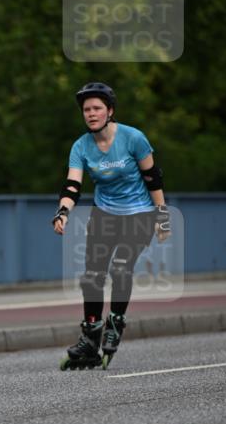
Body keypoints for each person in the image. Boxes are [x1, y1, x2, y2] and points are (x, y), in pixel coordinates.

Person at [52, 81, 171, 369]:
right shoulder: (81, 146)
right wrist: (63, 212)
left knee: (120, 266)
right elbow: (72, 185)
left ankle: (115, 323)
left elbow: (153, 178)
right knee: (92, 275)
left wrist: (162, 216)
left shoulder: (133, 139)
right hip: (105, 214)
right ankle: (90, 337)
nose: (91, 114)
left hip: (140, 214)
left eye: (97, 108)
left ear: (110, 111)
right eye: (86, 110)